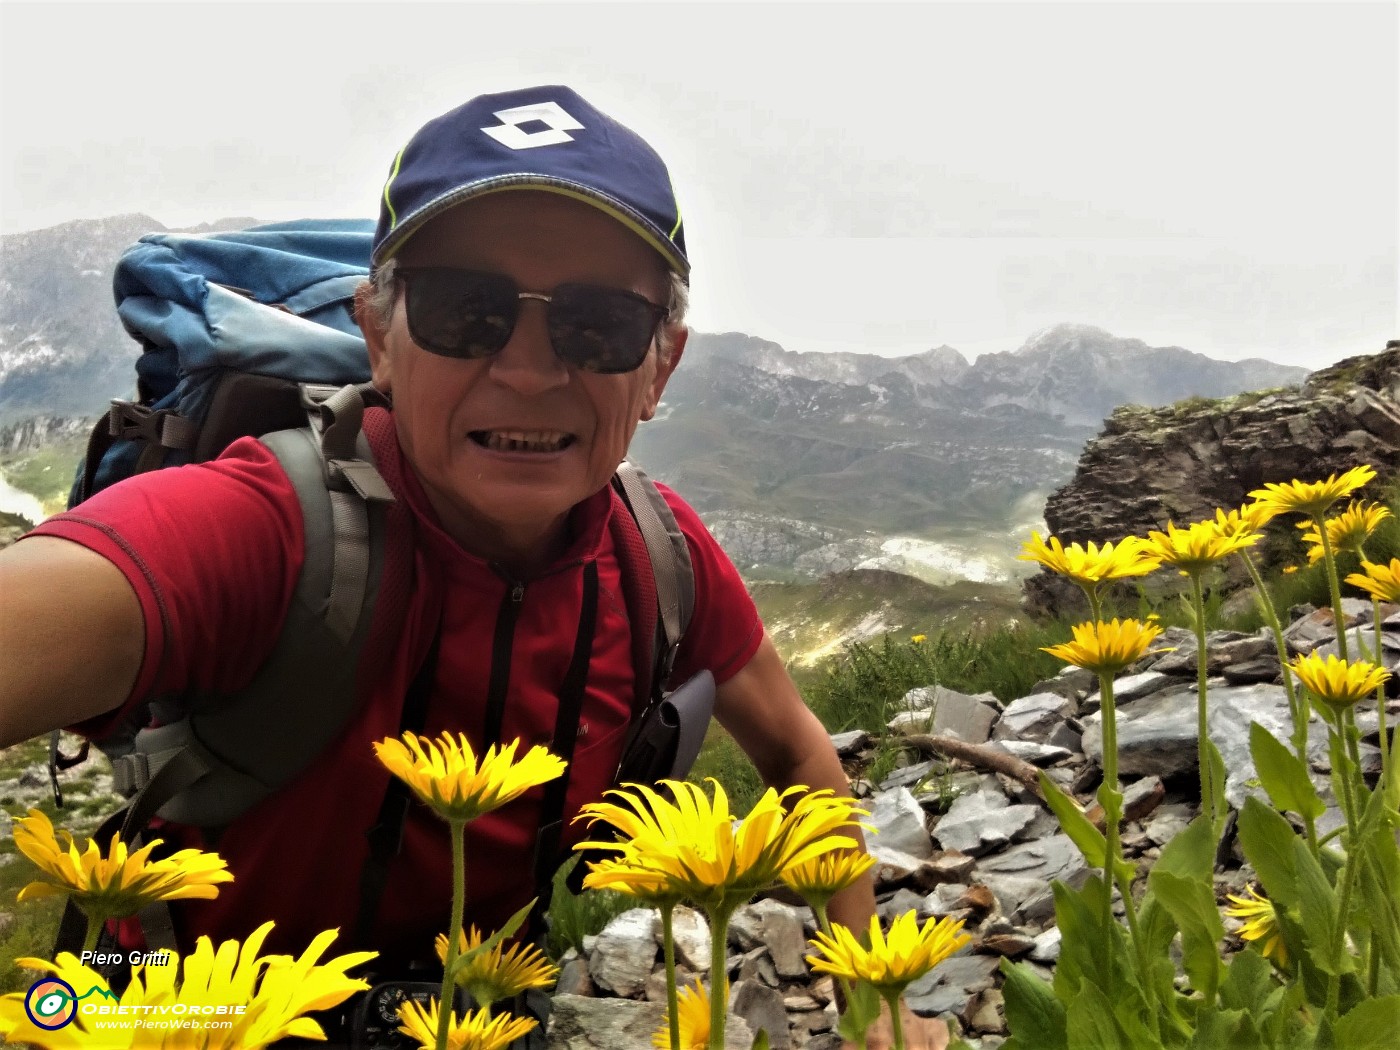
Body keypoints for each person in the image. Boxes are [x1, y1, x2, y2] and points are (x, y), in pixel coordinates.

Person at [0, 85, 945, 1050]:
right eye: (466, 311)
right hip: (165, 1005)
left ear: (659, 367)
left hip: (463, 1009)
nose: (530, 370)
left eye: (599, 325)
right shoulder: (263, 527)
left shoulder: (658, 556)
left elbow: (799, 755)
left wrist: (870, 1000)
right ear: (380, 335)